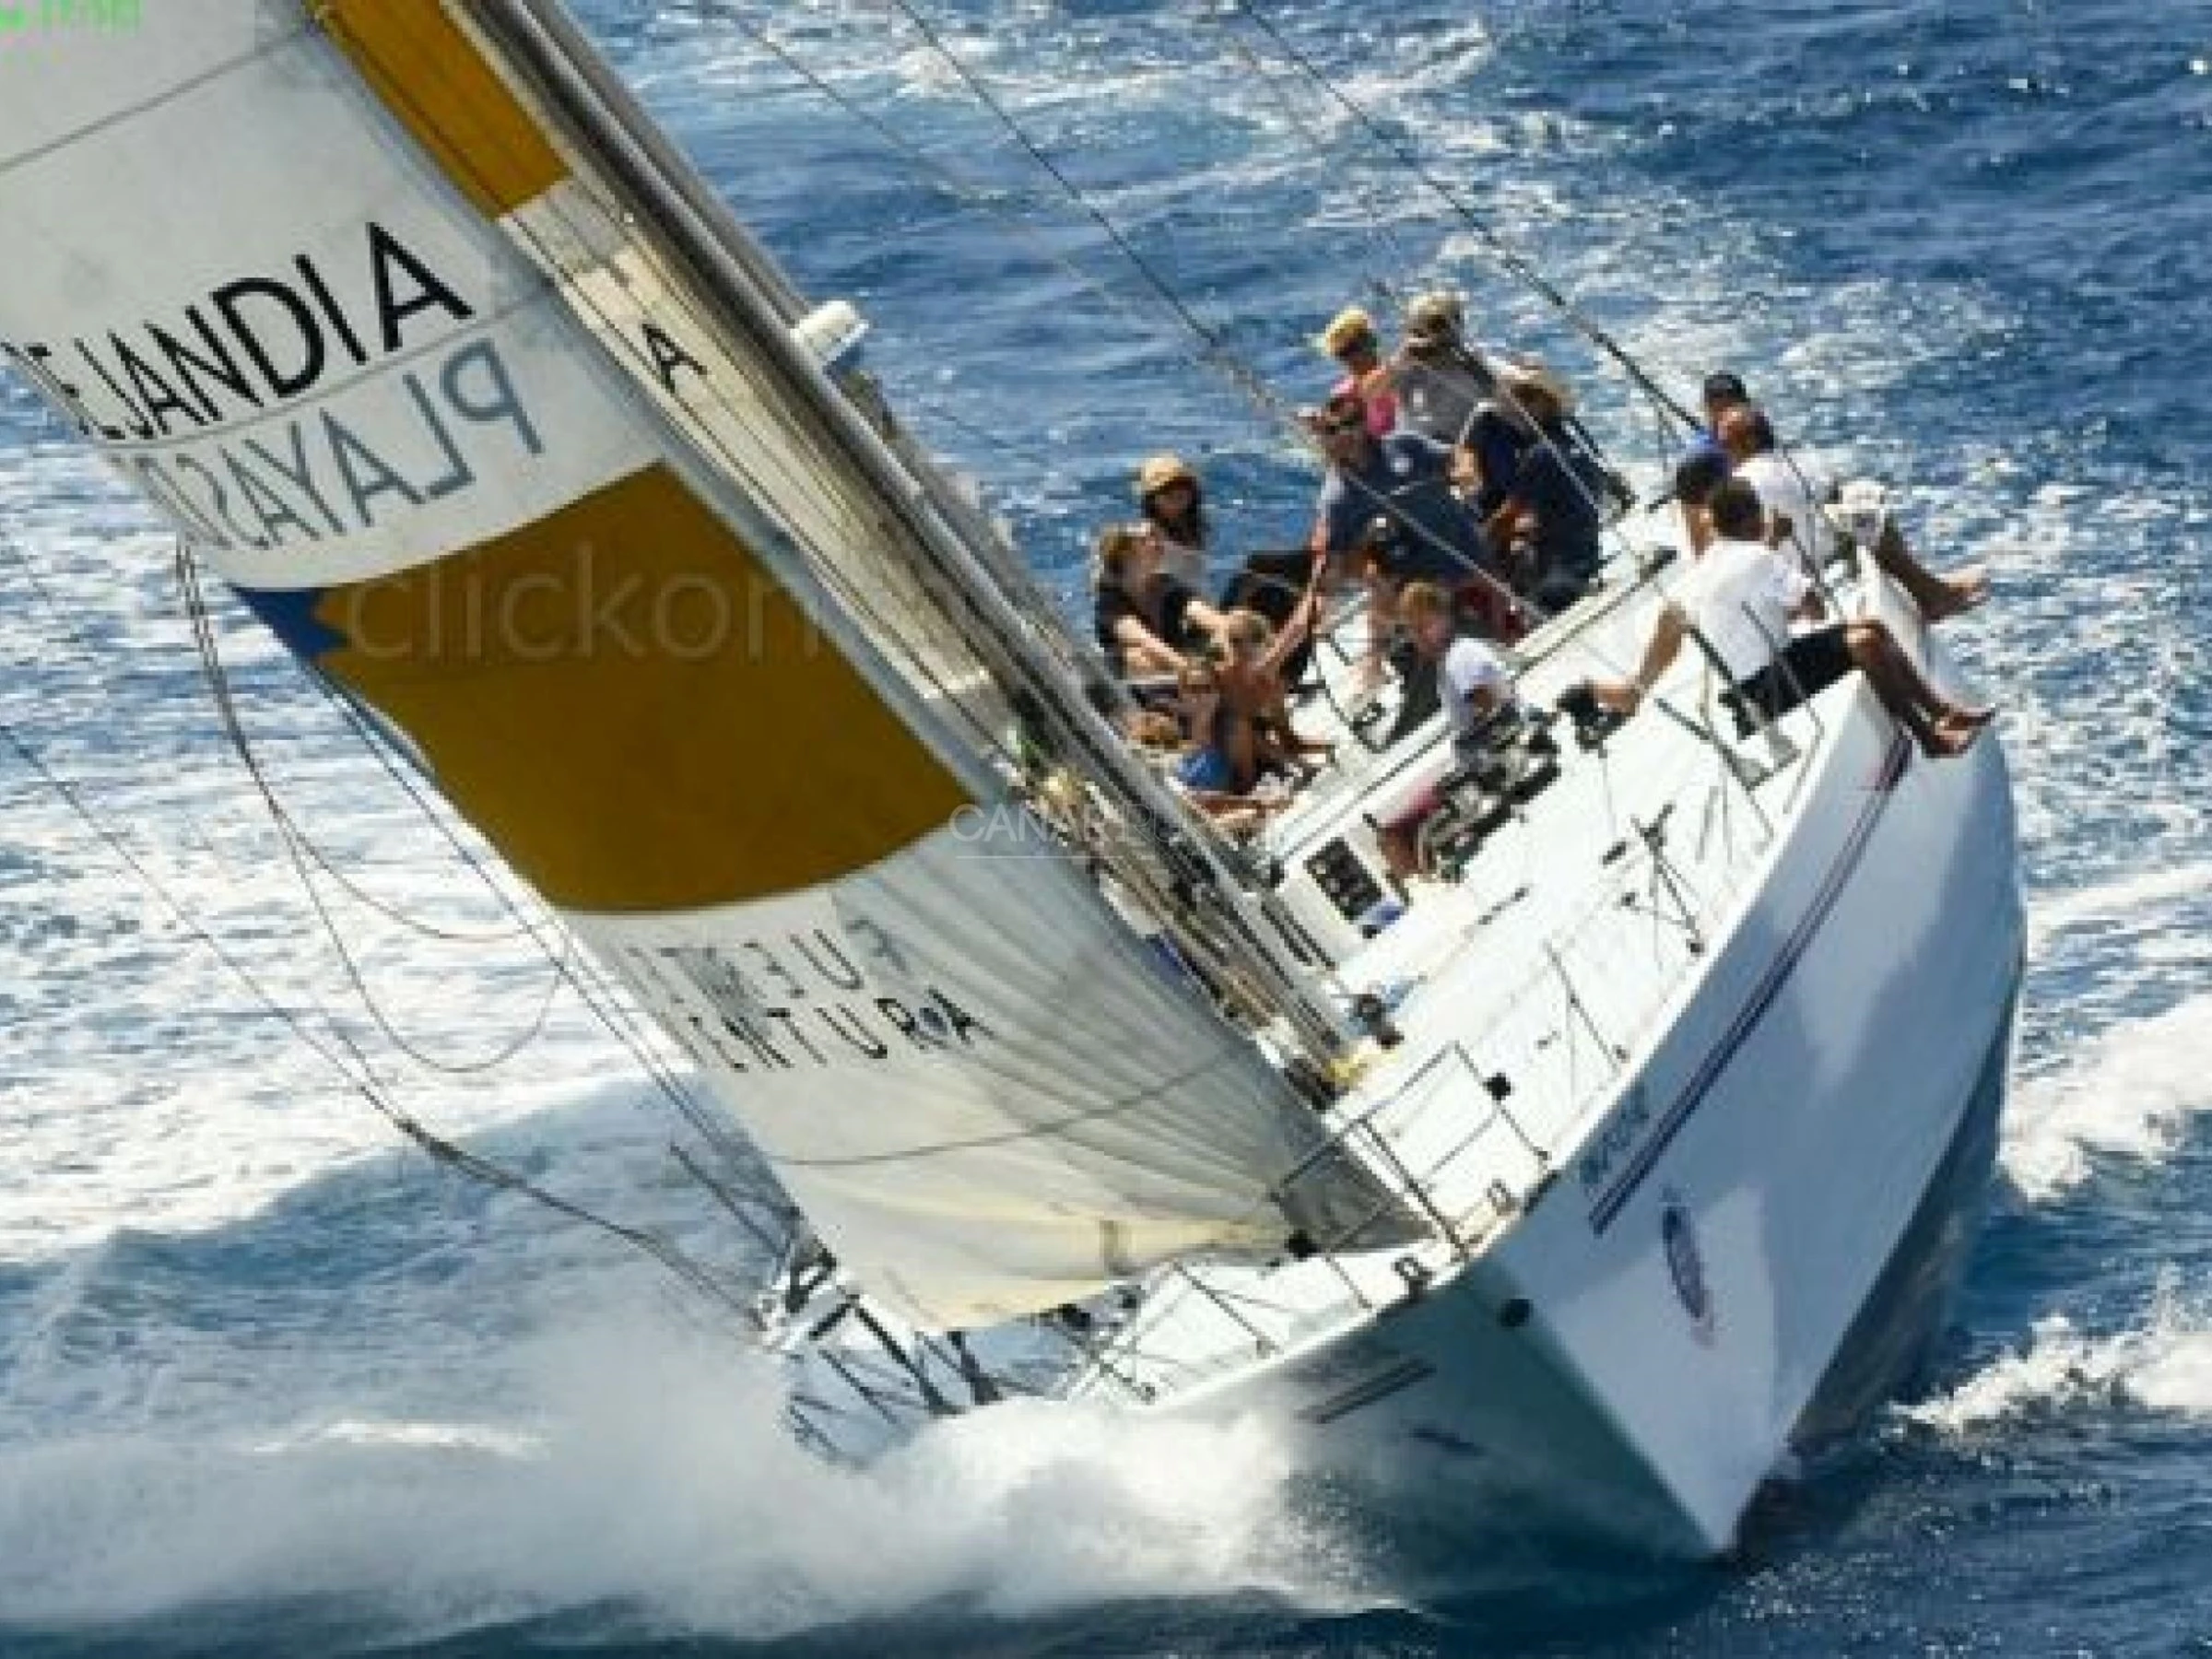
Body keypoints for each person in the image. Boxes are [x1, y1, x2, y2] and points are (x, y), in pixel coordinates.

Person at [1583, 479, 1993, 759]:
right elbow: (1814, 609)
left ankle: (1943, 711)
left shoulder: (1700, 573)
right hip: (1769, 686)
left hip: (1752, 684)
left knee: (1872, 628)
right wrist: (1780, 562)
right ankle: (1929, 739)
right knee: (1864, 641)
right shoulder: (1758, 556)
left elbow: (1669, 627)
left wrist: (1636, 687)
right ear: (1754, 518)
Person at [1717, 405, 1989, 620]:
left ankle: (1932, 593)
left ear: (1748, 441)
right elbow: (1834, 494)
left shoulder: (1740, 484)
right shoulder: (1809, 463)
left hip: (1786, 579)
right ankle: (1928, 590)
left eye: (1726, 445)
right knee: (1864, 508)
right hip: (1829, 561)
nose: (1724, 453)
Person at [1306, 390, 1492, 685]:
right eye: (1332, 430)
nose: (1344, 434)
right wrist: (1321, 603)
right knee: (1382, 583)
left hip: (1466, 552)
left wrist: (1466, 470)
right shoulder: (1336, 499)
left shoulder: (1405, 444)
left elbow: (1457, 454)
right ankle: (1380, 667)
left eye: (1351, 422)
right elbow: (1339, 560)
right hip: (1420, 582)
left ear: (1364, 422)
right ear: (1322, 438)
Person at [1373, 581, 1516, 882]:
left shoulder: (1459, 659)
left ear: (1445, 618)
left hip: (1483, 771)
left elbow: (1494, 711)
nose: (1418, 637)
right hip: (1476, 766)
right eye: (1413, 630)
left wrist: (1473, 771)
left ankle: (1424, 885)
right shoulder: (1452, 659)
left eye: (1424, 627)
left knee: (1391, 833)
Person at [1484, 359, 1609, 608]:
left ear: (1544, 404)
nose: (1518, 407)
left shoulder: (1540, 455)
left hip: (1561, 575)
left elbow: (1505, 518)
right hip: (1589, 555)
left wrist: (1479, 541)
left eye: (1525, 399)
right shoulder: (1575, 445)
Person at [1091, 522, 1226, 678]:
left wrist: (1228, 629)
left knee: (1228, 631)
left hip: (1178, 668)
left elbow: (1198, 610)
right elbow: (1144, 639)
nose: (1157, 544)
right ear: (1125, 553)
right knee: (1139, 657)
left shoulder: (1166, 585)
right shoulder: (1109, 600)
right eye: (1145, 540)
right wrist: (1188, 669)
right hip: (1135, 680)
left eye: (1157, 538)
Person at [1317, 306, 1399, 438]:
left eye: (1353, 348)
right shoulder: (1344, 395)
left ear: (1371, 341)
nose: (1350, 359)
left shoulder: (1401, 371)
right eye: (1342, 354)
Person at [1134, 453, 1210, 591]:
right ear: (1152, 499)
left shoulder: (1193, 528)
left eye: (1182, 494)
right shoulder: (1148, 536)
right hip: (1171, 600)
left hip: (1199, 599)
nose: (1176, 501)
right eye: (1168, 495)